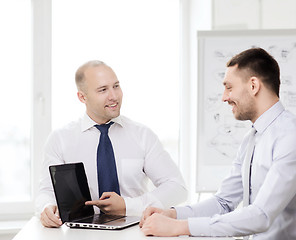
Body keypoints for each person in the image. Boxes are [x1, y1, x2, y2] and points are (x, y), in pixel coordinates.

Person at [140, 48, 296, 239]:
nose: (224, 97)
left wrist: (179, 227)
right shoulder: (252, 139)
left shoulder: (293, 139)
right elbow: (223, 202)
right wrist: (172, 215)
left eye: (229, 87)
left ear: (253, 86)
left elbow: (261, 216)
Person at [36, 60, 187, 228]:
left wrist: (127, 206)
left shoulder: (142, 135)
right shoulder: (60, 139)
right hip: (80, 234)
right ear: (82, 97)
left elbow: (176, 187)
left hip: (135, 232)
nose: (114, 96)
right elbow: (47, 191)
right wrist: (46, 208)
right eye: (103, 90)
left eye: (116, 86)